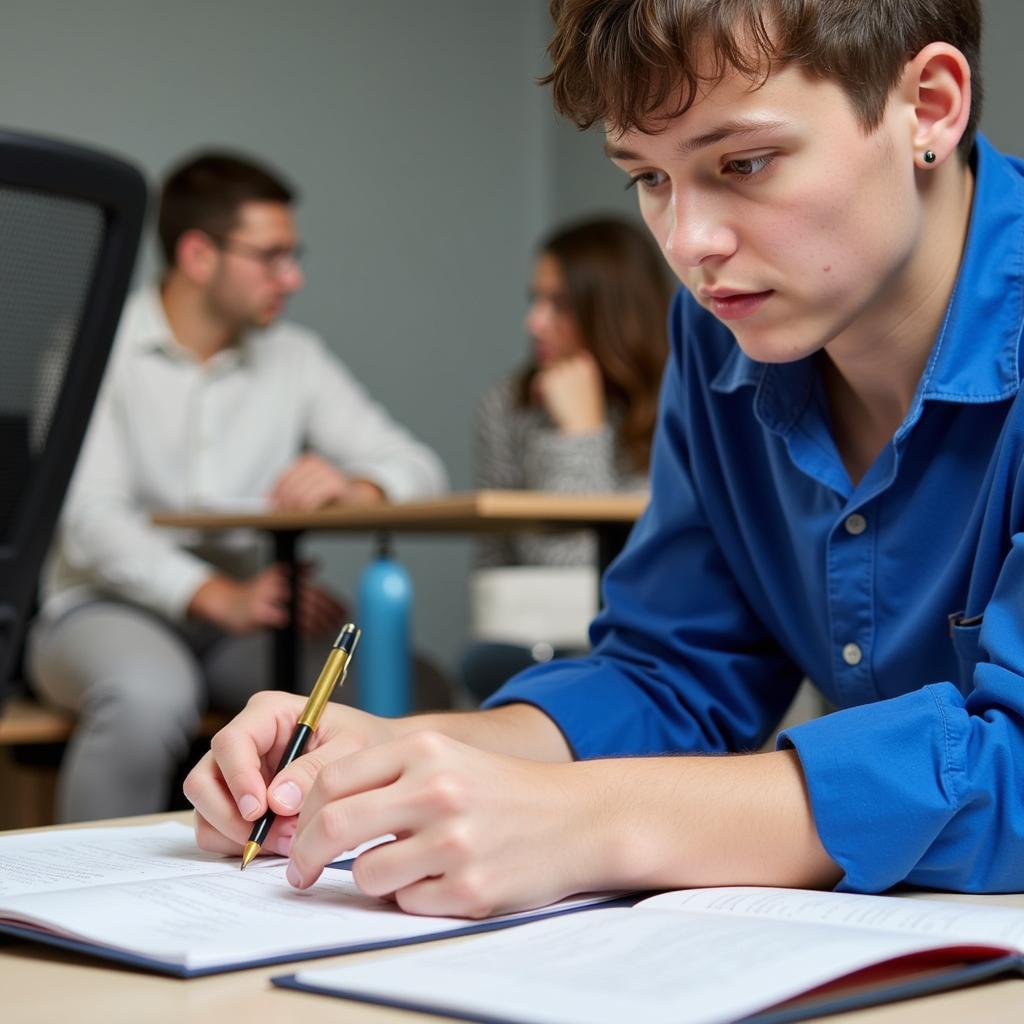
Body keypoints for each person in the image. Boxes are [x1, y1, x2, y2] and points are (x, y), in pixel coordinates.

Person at [186, 0, 1024, 916]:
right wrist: (399, 757)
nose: (688, 245)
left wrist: (585, 819)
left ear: (931, 106)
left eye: (743, 163)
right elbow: (672, 679)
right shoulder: (722, 337)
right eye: (649, 179)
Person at [29, 150, 447, 823]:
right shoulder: (89, 348)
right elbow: (90, 520)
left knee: (399, 683)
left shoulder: (295, 359)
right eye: (272, 256)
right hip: (100, 607)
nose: (294, 277)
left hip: (247, 618)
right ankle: (88, 902)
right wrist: (218, 594)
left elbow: (416, 463)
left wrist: (357, 486)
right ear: (199, 255)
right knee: (148, 696)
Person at [464, 218, 671, 699]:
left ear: (613, 312)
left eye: (559, 305)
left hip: (652, 639)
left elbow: (586, 569)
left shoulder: (683, 404)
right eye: (534, 300)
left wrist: (580, 431)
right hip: (527, 636)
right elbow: (503, 571)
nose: (533, 322)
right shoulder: (510, 405)